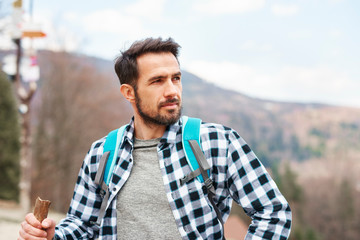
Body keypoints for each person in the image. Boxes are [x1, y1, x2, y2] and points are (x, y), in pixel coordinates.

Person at [19, 37, 292, 240]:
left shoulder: (217, 143)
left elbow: (273, 212)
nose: (172, 90)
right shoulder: (102, 153)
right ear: (129, 92)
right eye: (157, 81)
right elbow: (83, 223)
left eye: (176, 78)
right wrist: (52, 235)